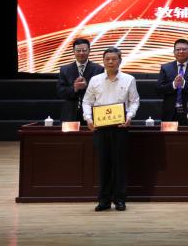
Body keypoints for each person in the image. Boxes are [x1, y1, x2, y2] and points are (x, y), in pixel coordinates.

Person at [82, 47, 140, 211]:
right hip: (100, 127)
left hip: (120, 127)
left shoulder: (129, 79)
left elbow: (134, 101)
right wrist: (88, 118)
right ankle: (104, 200)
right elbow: (87, 101)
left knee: (119, 164)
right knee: (103, 164)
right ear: (103, 61)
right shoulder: (95, 80)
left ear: (120, 61)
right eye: (107, 59)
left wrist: (129, 116)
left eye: (114, 59)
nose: (110, 62)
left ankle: (120, 199)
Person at [156, 38, 188, 125]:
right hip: (170, 113)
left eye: (184, 49)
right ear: (174, 52)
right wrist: (174, 85)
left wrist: (184, 84)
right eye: (178, 49)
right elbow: (159, 90)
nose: (181, 51)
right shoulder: (165, 68)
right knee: (168, 134)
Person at [55, 38, 102, 123]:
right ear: (73, 51)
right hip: (70, 114)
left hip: (92, 114)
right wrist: (74, 88)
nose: (81, 53)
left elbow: (102, 92)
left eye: (84, 50)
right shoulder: (65, 69)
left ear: (89, 51)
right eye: (78, 50)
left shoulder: (98, 69)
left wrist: (87, 86)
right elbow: (60, 92)